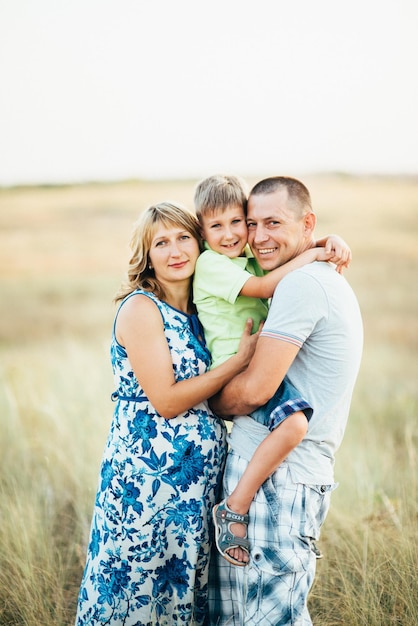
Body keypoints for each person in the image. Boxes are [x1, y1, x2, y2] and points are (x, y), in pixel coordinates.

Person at [74, 202, 259, 626]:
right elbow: (167, 401)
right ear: (147, 255)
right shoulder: (142, 309)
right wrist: (236, 362)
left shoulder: (199, 310)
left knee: (176, 600)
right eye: (161, 242)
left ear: (199, 243)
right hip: (146, 490)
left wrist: (325, 245)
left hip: (191, 492)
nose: (175, 250)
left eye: (183, 238)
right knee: (135, 592)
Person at [208, 176, 363, 625]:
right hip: (275, 476)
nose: (257, 238)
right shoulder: (301, 276)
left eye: (273, 223)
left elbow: (255, 391)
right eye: (252, 223)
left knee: (273, 619)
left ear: (307, 223)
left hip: (281, 481)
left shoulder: (302, 285)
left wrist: (212, 402)